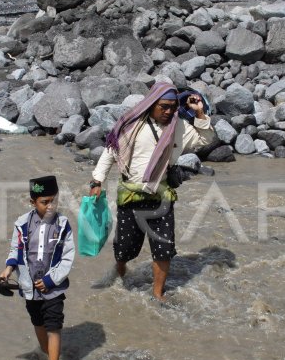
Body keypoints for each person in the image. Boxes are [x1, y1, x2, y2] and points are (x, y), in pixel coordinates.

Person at [89, 81, 214, 300]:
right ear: (152, 104)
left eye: (172, 107)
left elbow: (205, 138)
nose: (168, 112)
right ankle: (120, 268)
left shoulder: (180, 128)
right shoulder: (131, 126)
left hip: (162, 197)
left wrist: (200, 112)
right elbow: (110, 152)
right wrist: (97, 181)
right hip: (130, 196)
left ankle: (158, 293)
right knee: (126, 247)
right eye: (163, 106)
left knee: (164, 248)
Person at [0, 175, 74, 360]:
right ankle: (45, 352)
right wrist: (7, 270)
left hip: (54, 289)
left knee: (54, 326)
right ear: (33, 202)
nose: (51, 206)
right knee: (38, 322)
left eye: (54, 200)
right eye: (45, 202)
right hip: (28, 287)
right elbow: (16, 249)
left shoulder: (62, 225)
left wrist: (51, 280)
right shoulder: (21, 224)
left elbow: (68, 257)